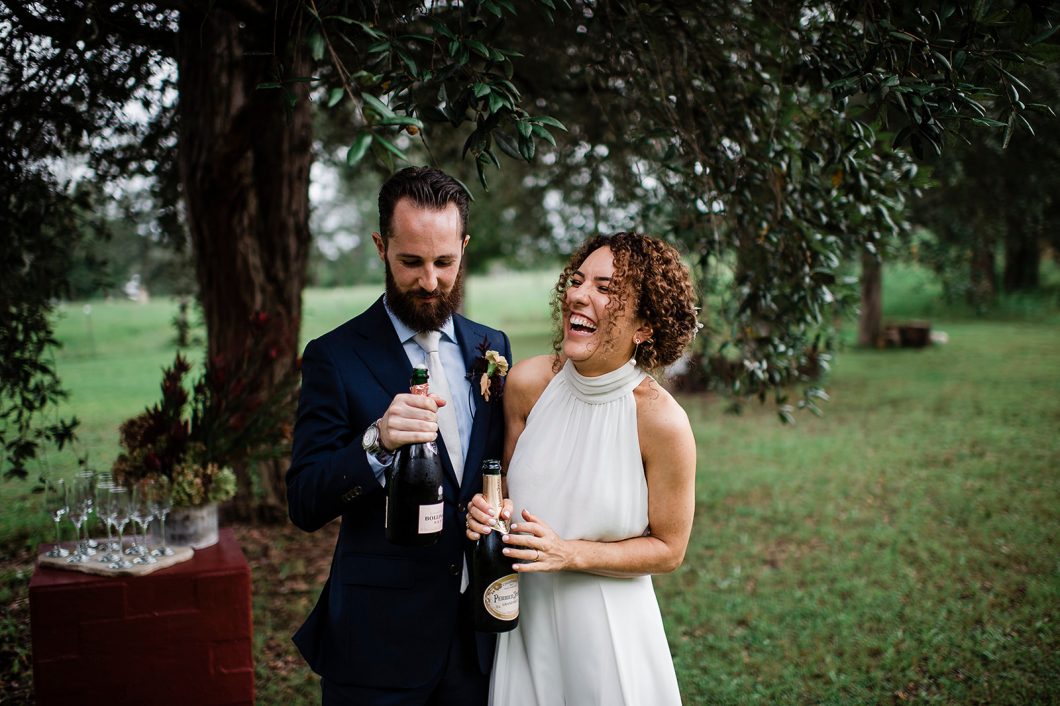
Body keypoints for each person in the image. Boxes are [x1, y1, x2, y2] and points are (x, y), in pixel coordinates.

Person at [287, 166, 513, 705]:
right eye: (411, 261)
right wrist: (376, 444)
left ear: (464, 247)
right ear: (380, 246)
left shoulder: (492, 346)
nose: (430, 281)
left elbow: (496, 467)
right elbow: (304, 501)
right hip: (376, 642)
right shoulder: (334, 357)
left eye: (445, 262)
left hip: (476, 640)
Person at [467, 232, 700, 705]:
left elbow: (669, 550)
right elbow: (506, 484)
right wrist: (488, 511)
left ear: (645, 326)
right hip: (525, 627)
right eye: (577, 280)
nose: (578, 294)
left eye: (606, 288)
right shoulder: (527, 383)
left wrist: (570, 553)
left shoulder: (661, 422)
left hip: (609, 633)